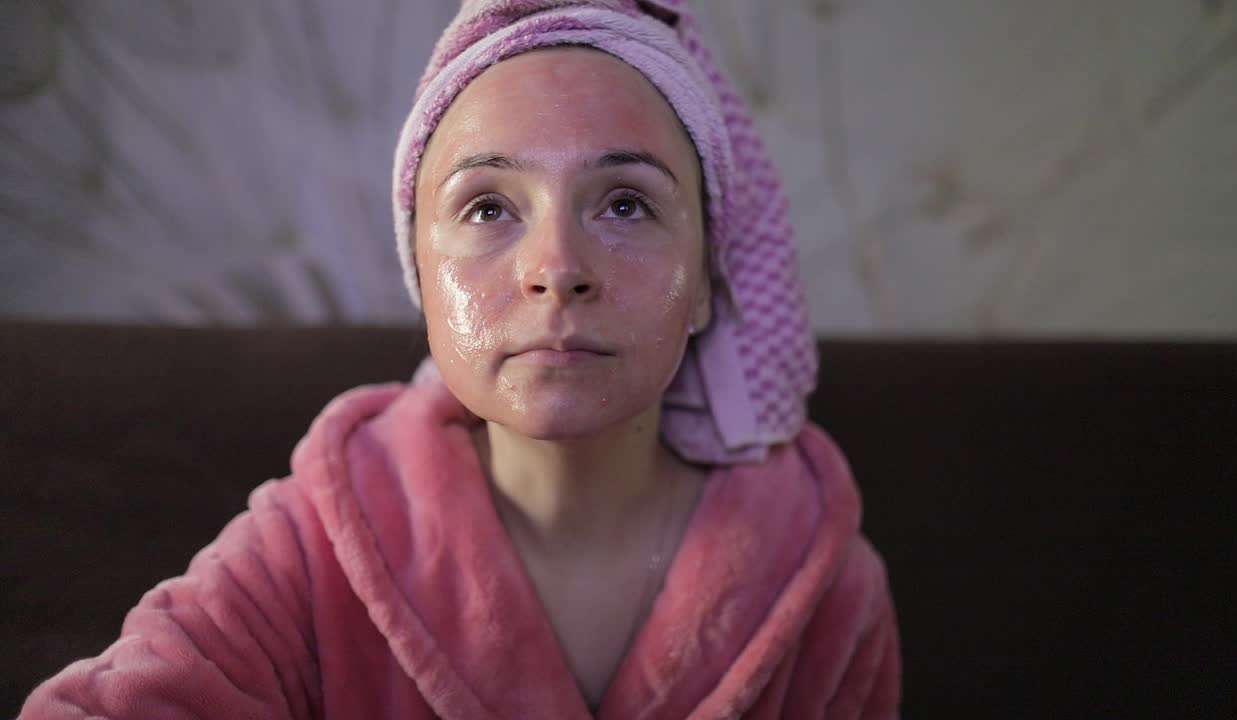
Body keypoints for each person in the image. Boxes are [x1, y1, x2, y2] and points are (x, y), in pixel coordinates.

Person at [20, 1, 900, 717]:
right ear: (421, 275)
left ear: (709, 279)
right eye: (487, 209)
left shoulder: (827, 591)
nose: (556, 268)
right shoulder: (312, 547)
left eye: (627, 204)